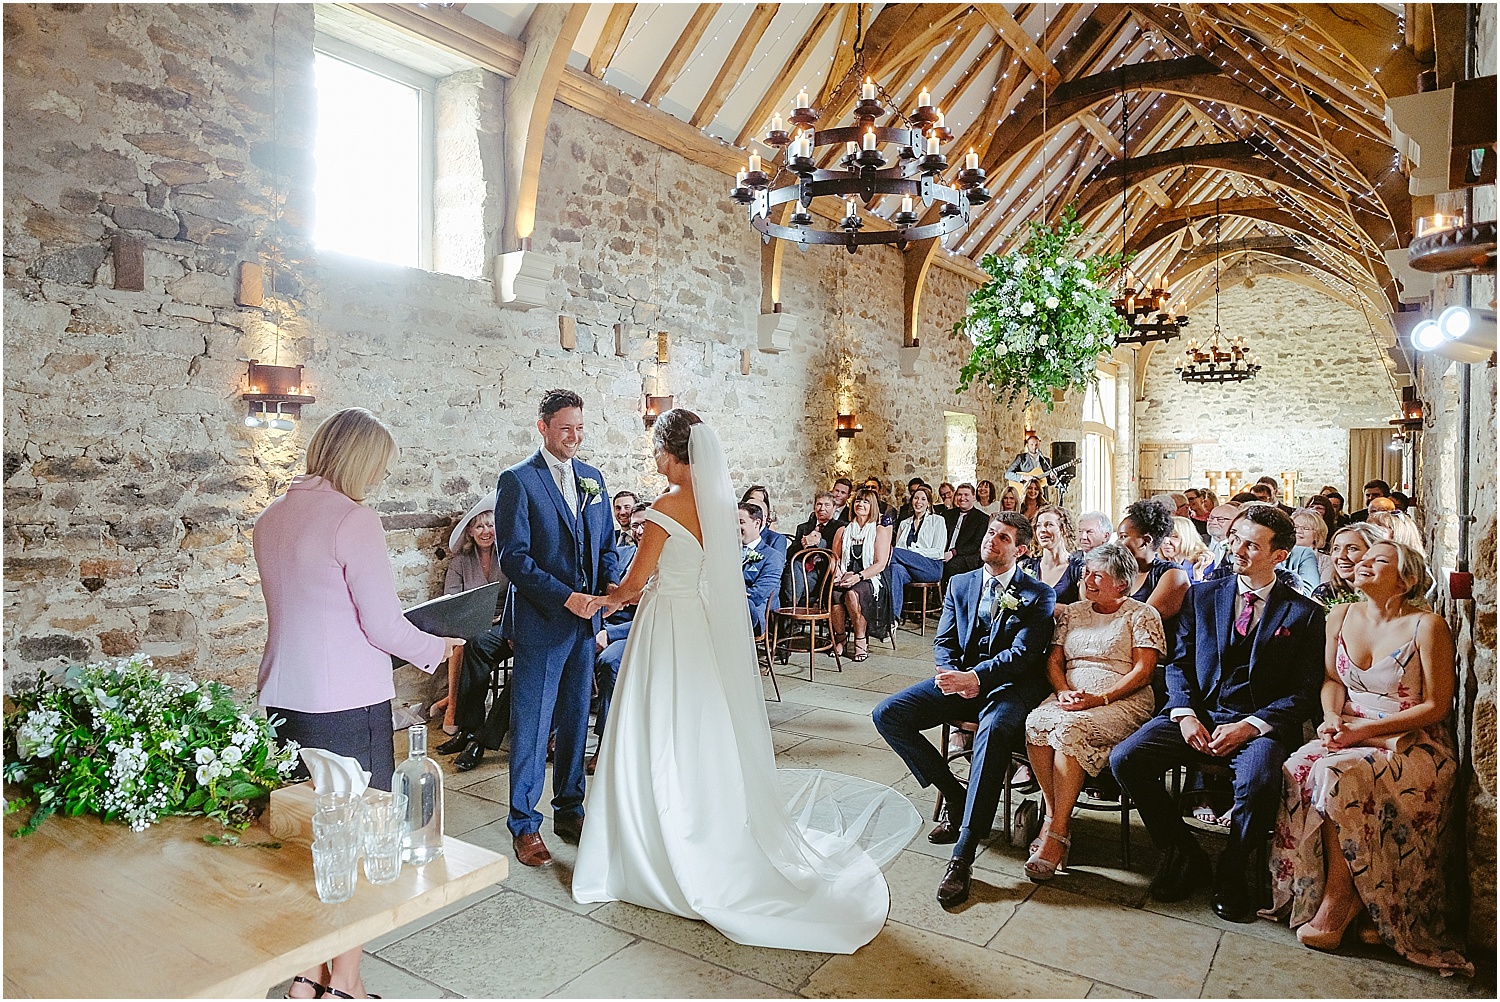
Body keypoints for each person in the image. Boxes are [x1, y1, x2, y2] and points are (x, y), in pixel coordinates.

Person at [574, 409, 920, 953]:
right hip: (698, 629)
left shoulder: (666, 506)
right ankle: (704, 817)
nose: (656, 460)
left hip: (665, 624)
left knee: (655, 723)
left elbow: (636, 583)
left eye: (658, 451)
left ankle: (651, 840)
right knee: (694, 725)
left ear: (671, 452)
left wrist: (601, 600)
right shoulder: (717, 509)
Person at [254, 407, 461, 1001]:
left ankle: (305, 975)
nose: (379, 480)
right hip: (347, 703)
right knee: (358, 839)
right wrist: (439, 646)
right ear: (361, 460)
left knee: (307, 839)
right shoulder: (354, 521)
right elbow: (382, 626)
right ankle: (344, 980)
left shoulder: (270, 518)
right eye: (380, 467)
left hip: (284, 697)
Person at [1111, 505, 1325, 923]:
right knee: (1126, 759)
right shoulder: (1204, 595)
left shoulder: (1304, 613)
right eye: (1235, 538)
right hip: (1201, 711)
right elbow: (1179, 663)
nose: (1237, 549)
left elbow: (1303, 693)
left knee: (1260, 780)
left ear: (1279, 556)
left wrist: (1250, 727)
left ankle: (1233, 867)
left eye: (1251, 544)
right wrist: (1186, 713)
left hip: (1259, 723)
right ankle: (1185, 851)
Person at [1266, 541, 1471, 974]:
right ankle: (1325, 890)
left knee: (1334, 773)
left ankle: (1341, 903)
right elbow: (1331, 679)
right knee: (1298, 765)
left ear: (1408, 579)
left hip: (1409, 740)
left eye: (1378, 560)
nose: (1361, 564)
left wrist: (1366, 731)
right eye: (1361, 559)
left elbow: (1436, 706)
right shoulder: (1339, 615)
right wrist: (1330, 718)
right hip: (1349, 726)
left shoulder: (1426, 625)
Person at [872, 513, 1055, 907]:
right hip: (961, 680)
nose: (992, 541)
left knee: (992, 734)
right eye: (991, 533)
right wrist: (949, 670)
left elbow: (1023, 655)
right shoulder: (960, 582)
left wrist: (976, 677)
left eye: (1003, 538)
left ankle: (963, 855)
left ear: (1020, 550)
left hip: (1011, 687)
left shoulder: (1038, 594)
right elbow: (944, 638)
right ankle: (955, 796)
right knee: (888, 714)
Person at [494, 389, 620, 868]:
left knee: (574, 724)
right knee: (531, 727)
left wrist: (608, 589)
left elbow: (607, 543)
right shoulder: (518, 481)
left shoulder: (593, 479)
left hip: (585, 626)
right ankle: (524, 826)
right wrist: (566, 597)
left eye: (581, 427)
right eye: (566, 427)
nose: (575, 436)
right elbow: (515, 560)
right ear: (543, 426)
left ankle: (570, 809)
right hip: (542, 623)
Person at [1023, 542, 1166, 879]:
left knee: (1069, 731)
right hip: (1071, 695)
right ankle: (1057, 818)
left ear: (1121, 583)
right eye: (1086, 571)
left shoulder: (1141, 613)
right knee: (1037, 723)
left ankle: (1055, 836)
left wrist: (1098, 699)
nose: (1086, 578)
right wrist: (1063, 692)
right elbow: (1055, 659)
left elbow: (1143, 672)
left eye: (1097, 575)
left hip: (1120, 699)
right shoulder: (1073, 611)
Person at [431, 493, 508, 753]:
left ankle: (459, 715)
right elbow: (451, 598)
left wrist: (501, 619)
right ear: (471, 533)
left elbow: (520, 592)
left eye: (491, 525)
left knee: (474, 644)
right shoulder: (461, 562)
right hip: (472, 623)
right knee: (469, 644)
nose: (486, 531)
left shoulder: (507, 556)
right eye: (480, 526)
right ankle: (467, 726)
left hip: (505, 622)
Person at [1116, 500, 1191, 646]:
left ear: (1145, 541)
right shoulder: (1119, 572)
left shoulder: (1172, 574)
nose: (1117, 544)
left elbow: (1143, 619)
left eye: (1123, 537)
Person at [830, 489, 894, 661]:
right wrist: (837, 574)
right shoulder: (843, 530)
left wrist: (857, 577)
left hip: (869, 577)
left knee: (853, 594)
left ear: (872, 506)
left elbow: (880, 564)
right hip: (845, 574)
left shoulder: (879, 531)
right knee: (834, 594)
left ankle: (860, 639)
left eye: (865, 502)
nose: (860, 504)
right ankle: (841, 637)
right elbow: (834, 559)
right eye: (858, 501)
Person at [889, 485, 946, 623]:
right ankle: (892, 619)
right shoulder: (904, 523)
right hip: (908, 569)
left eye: (923, 499)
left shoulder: (937, 521)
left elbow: (938, 552)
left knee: (893, 553)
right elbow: (900, 551)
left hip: (930, 567)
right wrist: (906, 556)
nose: (918, 502)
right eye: (915, 498)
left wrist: (914, 552)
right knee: (895, 568)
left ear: (929, 503)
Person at [784, 492, 844, 605]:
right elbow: (789, 553)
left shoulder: (840, 527)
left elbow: (837, 551)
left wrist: (819, 542)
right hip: (801, 570)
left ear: (834, 507)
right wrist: (802, 543)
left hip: (823, 572)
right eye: (819, 504)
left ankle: (791, 610)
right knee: (794, 566)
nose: (822, 508)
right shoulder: (803, 527)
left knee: (793, 586)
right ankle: (793, 607)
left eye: (827, 505)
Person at [739, 502, 786, 634]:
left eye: (741, 522)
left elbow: (757, 595)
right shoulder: (727, 551)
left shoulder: (772, 556)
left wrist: (732, 594)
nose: (736, 527)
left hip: (750, 613)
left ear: (757, 523)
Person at [1311, 523, 1383, 607]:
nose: (1341, 556)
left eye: (1352, 548)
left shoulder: (1393, 593)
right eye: (1336, 549)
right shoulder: (1324, 594)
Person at [1023, 504, 1082, 601]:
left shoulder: (1078, 569)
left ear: (1063, 529)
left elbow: (1084, 609)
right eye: (1038, 525)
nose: (1042, 530)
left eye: (1049, 525)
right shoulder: (1025, 567)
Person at [940, 484, 988, 582]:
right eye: (959, 495)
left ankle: (950, 595)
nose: (962, 498)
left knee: (951, 566)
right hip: (943, 553)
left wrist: (953, 553)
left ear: (974, 497)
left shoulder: (981, 518)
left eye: (966, 495)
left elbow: (975, 544)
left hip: (966, 557)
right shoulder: (948, 515)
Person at [1284, 508, 1331, 594]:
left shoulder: (1326, 561)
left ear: (1317, 534)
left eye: (1305, 528)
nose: (1298, 531)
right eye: (1295, 527)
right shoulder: (1282, 555)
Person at [1166, 515, 1215, 582]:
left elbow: (1201, 591)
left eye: (1174, 536)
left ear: (1187, 538)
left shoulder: (1203, 562)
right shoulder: (1154, 561)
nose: (1166, 541)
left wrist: (1197, 575)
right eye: (1163, 536)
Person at [740, 484, 786, 554]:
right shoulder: (737, 534)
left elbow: (776, 562)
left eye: (760, 502)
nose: (754, 506)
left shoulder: (776, 539)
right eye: (752, 499)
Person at [1006, 432, 1052, 499]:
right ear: (1027, 445)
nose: (1034, 447)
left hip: (1041, 495)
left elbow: (1049, 481)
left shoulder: (1045, 460)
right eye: (1031, 444)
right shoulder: (1021, 458)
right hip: (1025, 494)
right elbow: (1008, 474)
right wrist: (1024, 477)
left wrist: (1052, 478)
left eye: (1036, 445)